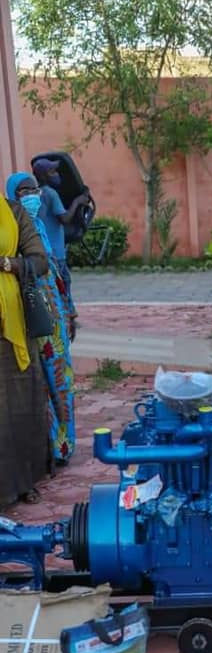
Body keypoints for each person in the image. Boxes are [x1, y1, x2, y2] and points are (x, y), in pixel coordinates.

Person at [6, 172, 76, 464]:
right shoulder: (13, 231)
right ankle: (49, 446)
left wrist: (71, 311)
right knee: (43, 384)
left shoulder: (41, 230)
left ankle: (65, 444)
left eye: (34, 189)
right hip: (34, 318)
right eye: (24, 191)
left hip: (56, 319)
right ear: (13, 196)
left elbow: (58, 274)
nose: (32, 195)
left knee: (63, 382)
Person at [0, 190, 50, 507]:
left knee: (18, 409)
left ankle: (22, 483)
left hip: (11, 329)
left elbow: (39, 260)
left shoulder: (13, 212)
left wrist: (8, 263)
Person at [32, 157, 89, 301]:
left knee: (51, 287)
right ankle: (68, 317)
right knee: (64, 285)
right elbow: (64, 219)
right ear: (43, 176)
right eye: (52, 172)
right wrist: (77, 202)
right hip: (57, 253)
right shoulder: (51, 194)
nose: (56, 174)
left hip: (44, 250)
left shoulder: (36, 194)